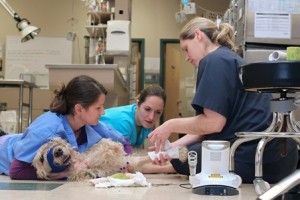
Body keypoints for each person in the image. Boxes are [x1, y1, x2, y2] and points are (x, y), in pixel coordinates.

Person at [143, 17, 298, 184]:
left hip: (257, 159)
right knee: (183, 152)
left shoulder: (214, 60)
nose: (187, 57)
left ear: (198, 35)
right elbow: (204, 129)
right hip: (279, 159)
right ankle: (153, 163)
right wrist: (170, 148)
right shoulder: (227, 58)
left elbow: (213, 123)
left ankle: (146, 166)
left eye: (186, 49)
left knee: (190, 156)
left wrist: (171, 125)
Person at [0, 75, 130, 180]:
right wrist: (65, 173)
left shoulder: (94, 126)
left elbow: (124, 143)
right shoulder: (46, 130)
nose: (103, 112)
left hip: (18, 139)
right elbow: (16, 171)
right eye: (98, 108)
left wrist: (123, 163)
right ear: (79, 109)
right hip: (4, 148)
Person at [100, 84, 166, 149]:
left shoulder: (146, 122)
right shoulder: (124, 122)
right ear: (137, 104)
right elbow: (122, 157)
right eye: (147, 109)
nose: (151, 117)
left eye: (158, 112)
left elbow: (135, 149)